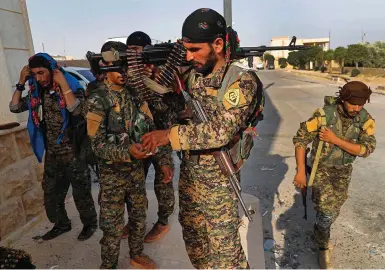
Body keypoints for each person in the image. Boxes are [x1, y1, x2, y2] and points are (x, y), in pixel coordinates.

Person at [141, 8, 263, 269]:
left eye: (195, 49)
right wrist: (168, 93)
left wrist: (169, 136)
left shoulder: (241, 81)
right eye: (186, 49)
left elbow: (221, 131)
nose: (189, 56)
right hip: (190, 175)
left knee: (226, 254)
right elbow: (185, 113)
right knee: (195, 243)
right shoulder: (195, 76)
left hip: (218, 179)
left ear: (218, 44)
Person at [85, 41, 173, 269]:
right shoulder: (97, 100)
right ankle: (109, 265)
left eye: (125, 67)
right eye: (116, 67)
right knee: (112, 226)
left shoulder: (136, 97)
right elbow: (97, 146)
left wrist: (163, 162)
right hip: (112, 176)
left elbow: (152, 132)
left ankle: (136, 254)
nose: (123, 72)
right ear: (104, 68)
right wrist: (127, 151)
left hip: (135, 173)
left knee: (138, 218)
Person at [9, 53, 97, 241]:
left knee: (81, 193)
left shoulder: (72, 87)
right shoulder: (36, 92)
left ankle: (89, 224)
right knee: (50, 192)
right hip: (53, 153)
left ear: (52, 70)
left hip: (74, 151)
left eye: (42, 72)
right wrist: (20, 83)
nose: (39, 78)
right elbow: (14, 108)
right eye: (34, 74)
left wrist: (63, 83)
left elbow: (77, 110)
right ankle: (61, 224)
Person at [292, 81, 376, 269]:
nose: (356, 108)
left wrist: (335, 140)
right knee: (327, 210)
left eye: (360, 104)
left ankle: (319, 231)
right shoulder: (323, 116)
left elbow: (366, 149)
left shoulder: (365, 119)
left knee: (334, 209)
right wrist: (300, 172)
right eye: (353, 103)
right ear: (343, 99)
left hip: (343, 170)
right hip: (321, 169)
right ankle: (322, 246)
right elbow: (300, 140)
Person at [120, 30, 176, 243]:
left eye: (138, 50)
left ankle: (162, 222)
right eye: (131, 50)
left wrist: (152, 78)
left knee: (163, 181)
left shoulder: (160, 71)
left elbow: (169, 104)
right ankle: (135, 220)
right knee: (135, 182)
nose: (134, 54)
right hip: (137, 137)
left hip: (161, 134)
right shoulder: (126, 73)